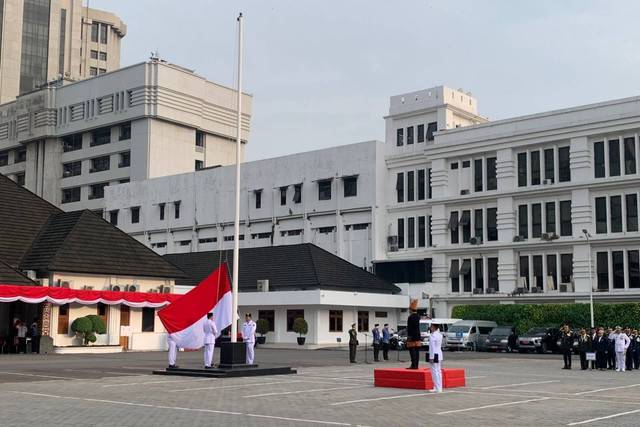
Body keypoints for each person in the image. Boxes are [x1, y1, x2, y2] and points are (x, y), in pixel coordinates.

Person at [428, 323, 443, 393]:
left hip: (434, 354)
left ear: (433, 327)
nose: (430, 327)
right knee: (438, 371)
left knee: (434, 372)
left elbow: (432, 348)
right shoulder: (440, 335)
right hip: (439, 354)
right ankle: (438, 386)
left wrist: (431, 357)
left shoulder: (432, 336)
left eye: (431, 326)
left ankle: (437, 387)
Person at [406, 299, 421, 370]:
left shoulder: (410, 317)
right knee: (417, 351)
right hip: (418, 335)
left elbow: (410, 328)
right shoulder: (418, 316)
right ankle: (416, 365)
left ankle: (413, 364)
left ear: (411, 310)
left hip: (412, 335)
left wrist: (409, 336)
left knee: (412, 351)